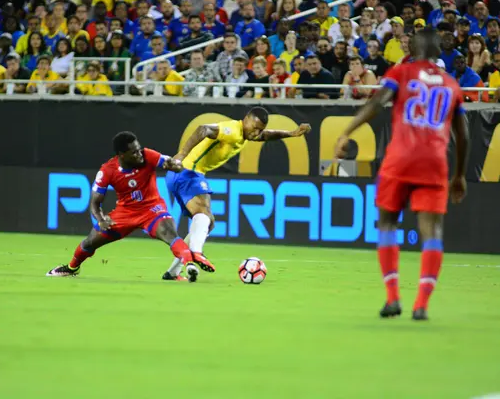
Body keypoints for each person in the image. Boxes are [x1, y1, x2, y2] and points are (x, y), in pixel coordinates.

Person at [334, 28, 469, 321]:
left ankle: (393, 297)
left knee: (386, 223)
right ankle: (421, 304)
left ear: (413, 48)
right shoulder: (450, 84)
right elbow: (464, 134)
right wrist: (459, 175)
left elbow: (376, 103)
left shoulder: (401, 72)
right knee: (432, 232)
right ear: (438, 51)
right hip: (434, 163)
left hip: (400, 160)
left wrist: (346, 131)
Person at [163, 108, 311, 279]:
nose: (257, 133)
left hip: (182, 174)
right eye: (255, 127)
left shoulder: (247, 134)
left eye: (260, 129)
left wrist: (292, 133)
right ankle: (196, 252)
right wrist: (181, 154)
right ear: (246, 119)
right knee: (203, 213)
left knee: (207, 222)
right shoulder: (232, 130)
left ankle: (174, 271)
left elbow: (267, 135)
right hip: (187, 171)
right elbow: (203, 129)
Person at [46, 131, 201, 282]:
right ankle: (72, 268)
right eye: (134, 153)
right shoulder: (108, 170)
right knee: (90, 242)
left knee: (169, 233)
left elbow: (170, 163)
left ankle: (189, 264)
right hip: (125, 213)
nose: (139, 154)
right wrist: (101, 219)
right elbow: (94, 202)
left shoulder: (148, 155)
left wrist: (175, 165)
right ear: (121, 155)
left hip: (152, 208)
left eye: (139, 149)